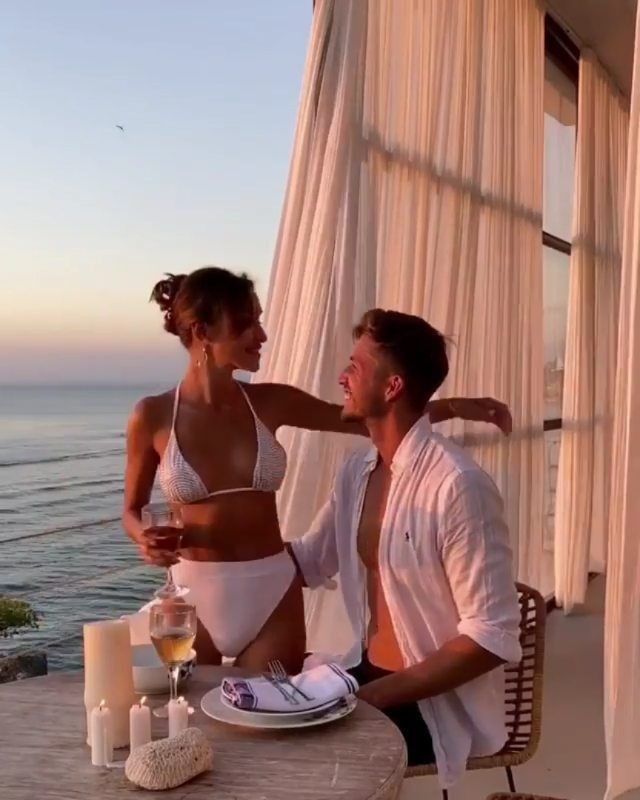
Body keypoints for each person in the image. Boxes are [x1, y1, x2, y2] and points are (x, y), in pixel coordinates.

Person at [123, 266, 512, 674]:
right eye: (246, 324)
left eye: (259, 320)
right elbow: (131, 510)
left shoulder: (271, 402)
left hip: (272, 593)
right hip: (191, 594)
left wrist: (452, 406)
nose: (261, 335)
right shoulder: (152, 416)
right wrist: (144, 536)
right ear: (202, 332)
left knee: (269, 728)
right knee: (195, 723)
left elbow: (374, 415)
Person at [289, 309, 522, 788]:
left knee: (306, 769)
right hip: (364, 674)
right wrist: (207, 550)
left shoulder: (458, 486)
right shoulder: (356, 473)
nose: (342, 377)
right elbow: (309, 561)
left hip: (427, 701)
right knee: (266, 735)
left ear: (392, 387)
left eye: (355, 366)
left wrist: (374, 699)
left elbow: (491, 636)